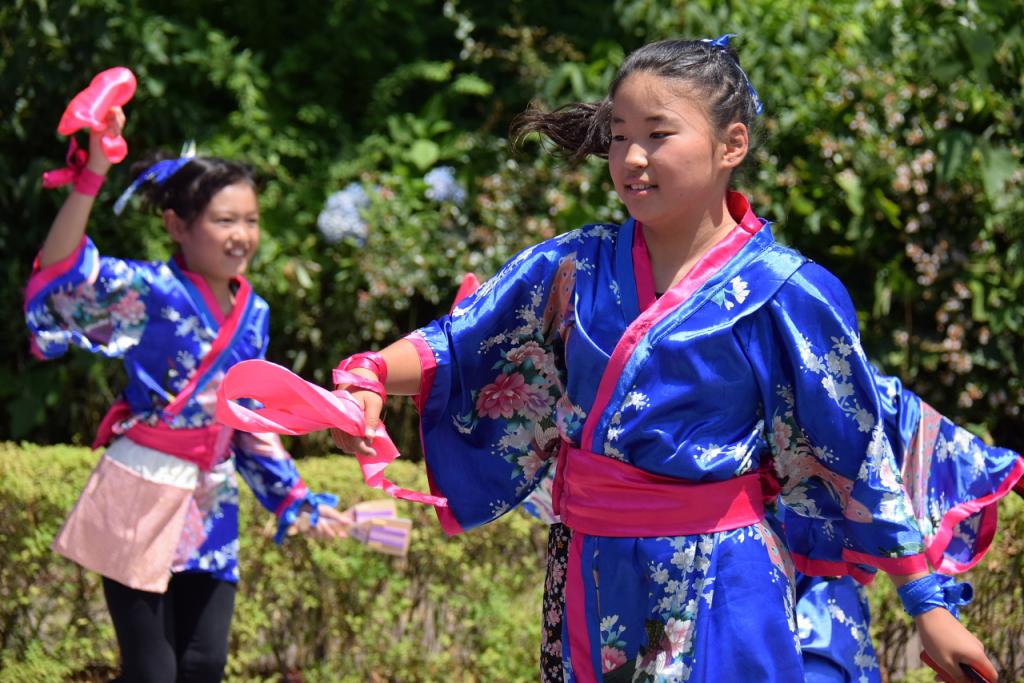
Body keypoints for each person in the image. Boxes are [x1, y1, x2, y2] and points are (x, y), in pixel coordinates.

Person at [327, 36, 998, 682]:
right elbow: (464, 341)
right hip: (587, 567)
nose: (632, 157)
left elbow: (855, 450)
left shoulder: (785, 291)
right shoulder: (575, 264)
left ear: (732, 145)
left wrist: (926, 605)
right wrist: (371, 376)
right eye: (619, 136)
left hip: (721, 576)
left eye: (658, 134)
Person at [24, 107, 349, 683]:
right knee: (152, 673)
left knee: (204, 665)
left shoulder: (255, 313)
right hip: (141, 489)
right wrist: (93, 173)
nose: (242, 235)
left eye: (251, 220)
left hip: (210, 501)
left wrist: (295, 500)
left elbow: (248, 423)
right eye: (225, 220)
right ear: (177, 226)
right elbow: (62, 274)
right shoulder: (150, 291)